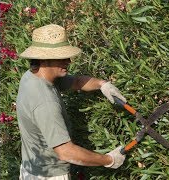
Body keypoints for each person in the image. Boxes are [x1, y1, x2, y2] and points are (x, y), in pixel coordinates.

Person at [16, 24, 127, 179]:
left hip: (31, 169)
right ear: (43, 58)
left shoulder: (32, 76)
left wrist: (102, 84)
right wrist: (108, 160)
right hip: (50, 176)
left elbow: (75, 82)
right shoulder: (45, 103)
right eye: (61, 57)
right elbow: (66, 152)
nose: (68, 61)